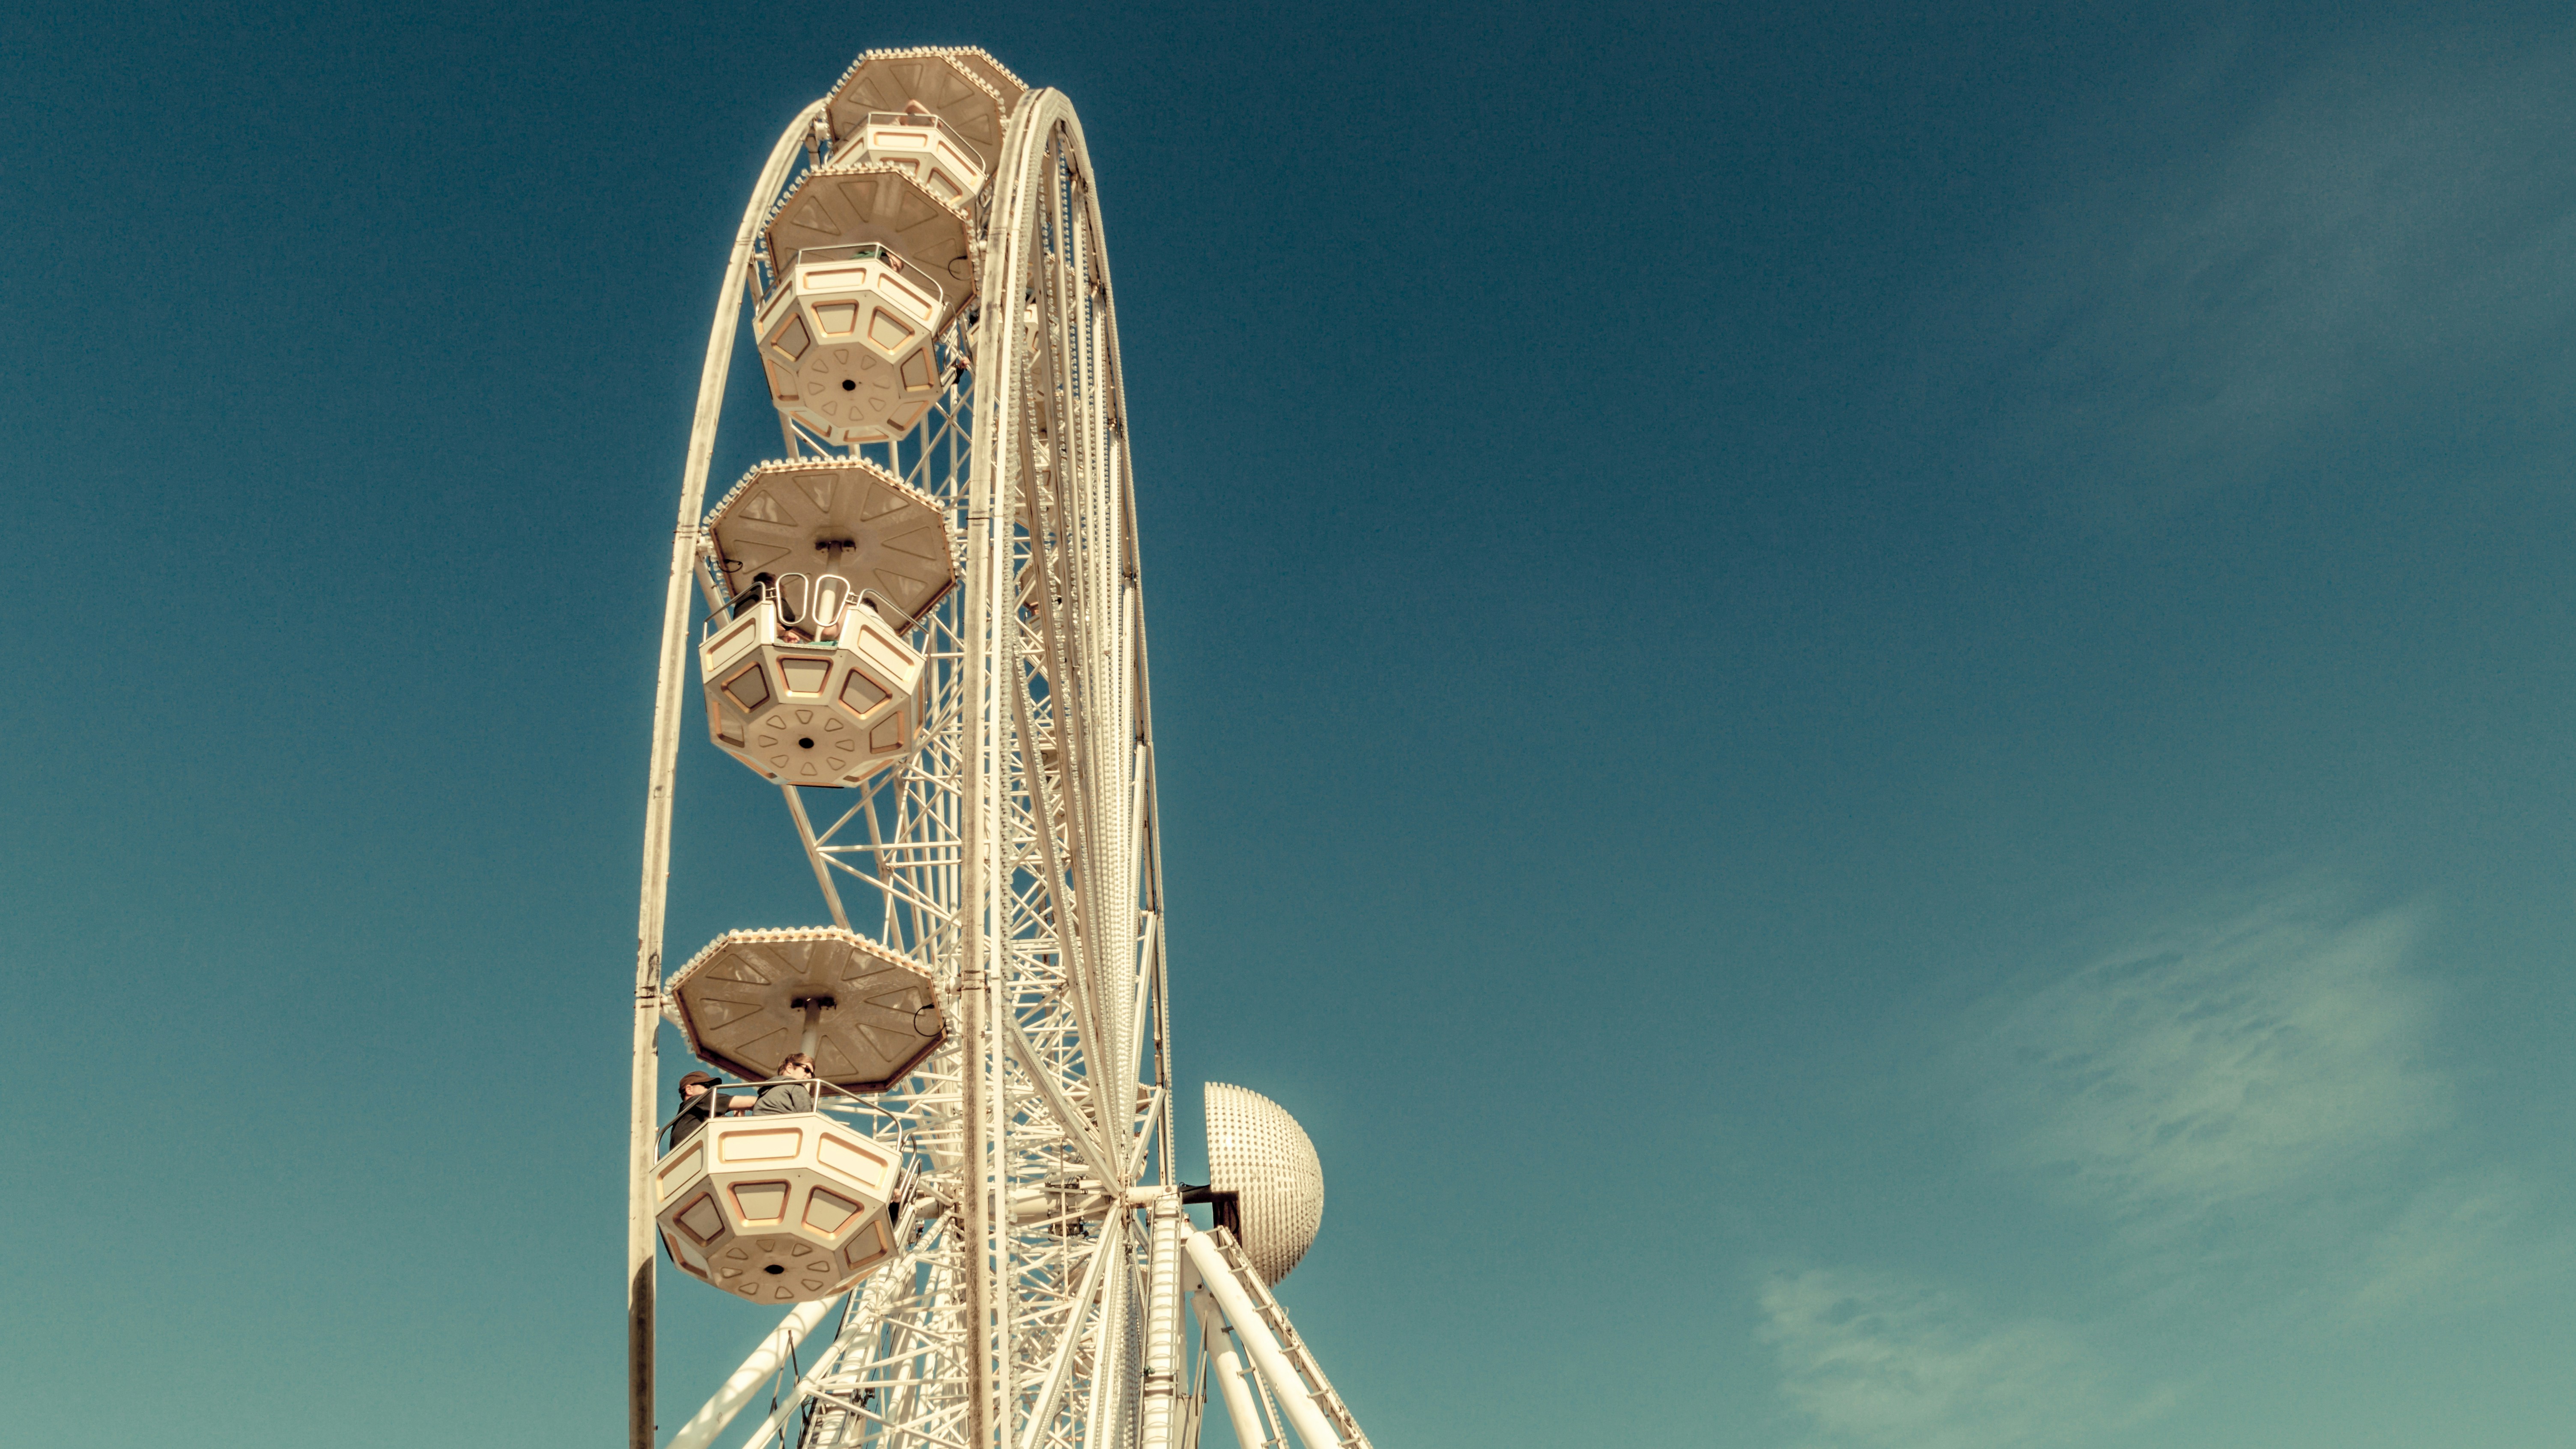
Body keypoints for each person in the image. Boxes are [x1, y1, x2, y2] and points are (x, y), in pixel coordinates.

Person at [665, 1070, 756, 1151]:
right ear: (689, 1090)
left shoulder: (689, 1114)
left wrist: (738, 1119)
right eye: (706, 1086)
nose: (709, 1090)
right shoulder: (699, 1101)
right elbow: (752, 1102)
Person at [752, 1054, 819, 1115]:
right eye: (807, 1070)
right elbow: (808, 1116)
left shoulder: (766, 1091)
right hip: (783, 1126)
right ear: (790, 1068)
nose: (810, 1076)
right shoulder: (796, 1087)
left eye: (812, 1075)